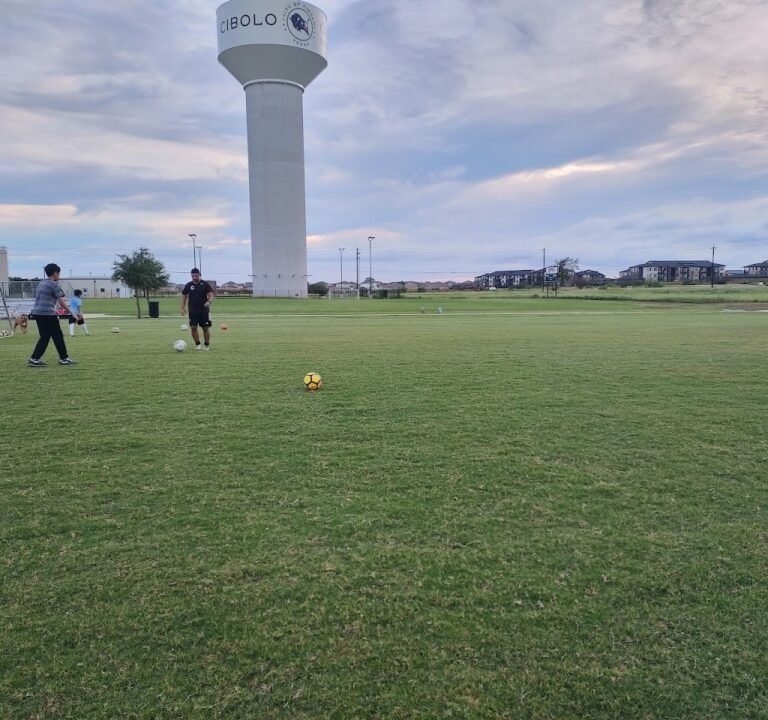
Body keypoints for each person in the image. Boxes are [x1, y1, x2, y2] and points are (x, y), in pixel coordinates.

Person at [27, 263, 78, 367]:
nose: (59, 276)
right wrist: (72, 313)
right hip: (47, 314)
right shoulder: (54, 284)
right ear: (55, 273)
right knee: (57, 335)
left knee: (46, 336)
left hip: (37, 313)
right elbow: (61, 302)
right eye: (59, 273)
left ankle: (37, 358)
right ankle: (61, 359)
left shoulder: (42, 283)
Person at [180, 268, 214, 350]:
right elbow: (184, 296)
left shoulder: (205, 284)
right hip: (193, 311)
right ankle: (198, 344)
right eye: (193, 276)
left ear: (199, 274)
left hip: (204, 311)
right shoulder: (188, 285)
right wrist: (182, 308)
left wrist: (209, 301)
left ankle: (206, 345)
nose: (194, 277)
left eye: (196, 276)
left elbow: (210, 294)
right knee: (193, 327)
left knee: (205, 328)